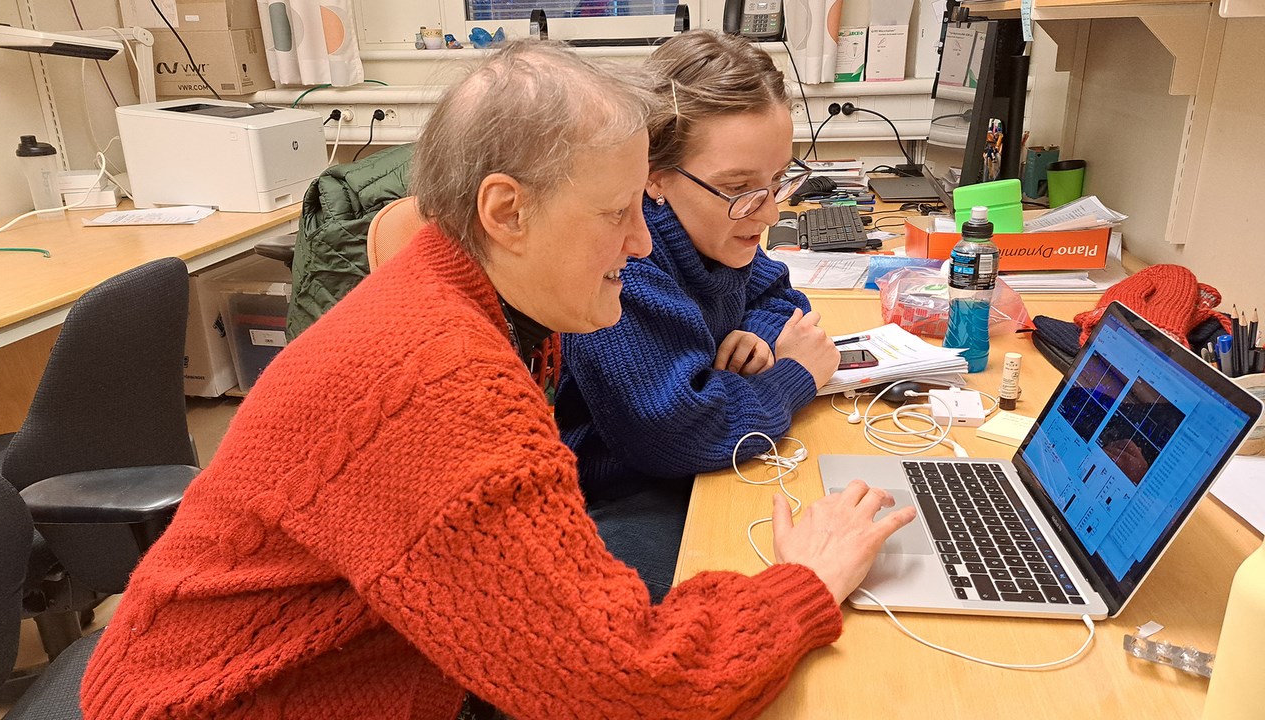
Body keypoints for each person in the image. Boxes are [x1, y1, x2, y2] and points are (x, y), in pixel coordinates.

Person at [80, 42, 914, 719]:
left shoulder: (474, 301)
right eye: (616, 214)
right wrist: (802, 585)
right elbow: (631, 686)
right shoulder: (440, 378)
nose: (640, 244)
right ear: (505, 211)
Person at [556, 30, 840, 603]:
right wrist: (793, 376)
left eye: (779, 181)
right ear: (653, 174)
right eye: (739, 187)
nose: (770, 210)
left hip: (695, 459)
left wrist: (757, 337)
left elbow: (781, 296)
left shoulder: (715, 231)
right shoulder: (627, 268)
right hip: (624, 488)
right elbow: (676, 431)